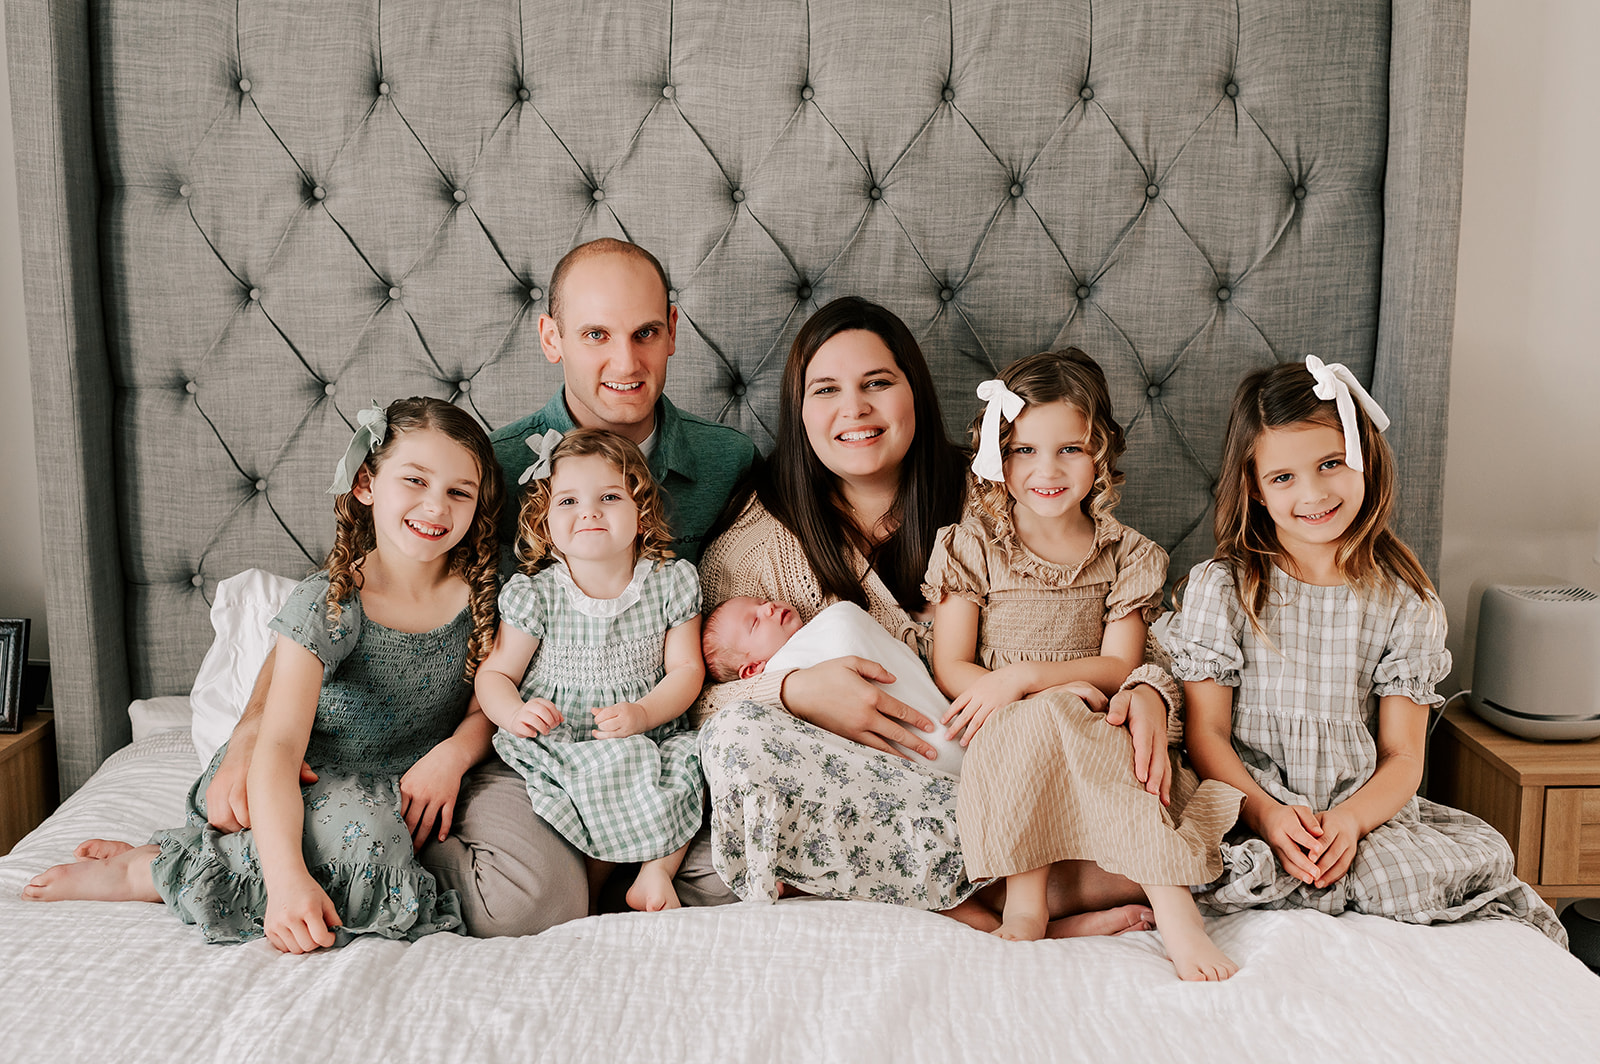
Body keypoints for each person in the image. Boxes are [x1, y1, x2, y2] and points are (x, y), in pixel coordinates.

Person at [203, 239, 757, 936]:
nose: (626, 362)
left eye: (646, 332)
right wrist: (254, 728)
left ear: (674, 330)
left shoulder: (729, 462)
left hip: (653, 734)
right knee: (532, 901)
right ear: (552, 338)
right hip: (523, 738)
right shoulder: (480, 469)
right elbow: (348, 591)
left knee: (753, 859)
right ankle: (411, 861)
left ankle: (633, 863)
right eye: (595, 335)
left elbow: (757, 601)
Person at [695, 297, 1169, 935]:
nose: (854, 409)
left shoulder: (1002, 493)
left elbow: (1121, 615)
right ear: (798, 410)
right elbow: (701, 701)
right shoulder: (753, 545)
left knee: (1153, 819)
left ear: (914, 391)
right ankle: (1020, 888)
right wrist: (795, 689)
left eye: (878, 383)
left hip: (1025, 760)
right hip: (891, 796)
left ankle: (1022, 875)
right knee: (736, 744)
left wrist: (1146, 689)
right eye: (826, 389)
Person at [24, 398, 503, 952]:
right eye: (415, 480)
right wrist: (286, 881)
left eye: (458, 492)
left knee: (380, 831)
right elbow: (275, 747)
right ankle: (152, 871)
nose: (435, 507)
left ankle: (171, 853)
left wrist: (455, 754)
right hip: (296, 779)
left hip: (397, 787)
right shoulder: (330, 604)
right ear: (368, 484)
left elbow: (482, 707)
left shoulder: (485, 598)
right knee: (368, 840)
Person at [1164, 358, 1565, 944]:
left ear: (1365, 459)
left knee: (1403, 880)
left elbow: (1403, 754)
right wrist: (1268, 816)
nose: (1314, 493)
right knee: (1171, 863)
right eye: (1283, 478)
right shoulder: (1224, 588)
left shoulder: (1406, 602)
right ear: (1254, 486)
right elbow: (1207, 737)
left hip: (1363, 813)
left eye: (1331, 464)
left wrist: (1350, 821)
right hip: (1247, 807)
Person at [924, 350, 1242, 979]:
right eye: (1023, 451)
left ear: (1100, 453)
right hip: (1004, 726)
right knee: (1040, 717)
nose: (1046, 470)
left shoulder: (1125, 554)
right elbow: (950, 663)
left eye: (1069, 449)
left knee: (1070, 717)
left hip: (1092, 717)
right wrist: (1012, 691)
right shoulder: (972, 546)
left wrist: (1033, 679)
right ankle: (1026, 908)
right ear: (997, 456)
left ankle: (1173, 908)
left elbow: (1119, 664)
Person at [477, 429, 705, 913]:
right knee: (579, 794)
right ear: (544, 521)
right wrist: (515, 713)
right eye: (568, 500)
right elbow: (495, 675)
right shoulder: (536, 594)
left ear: (640, 511)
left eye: (609, 496)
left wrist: (644, 714)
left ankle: (653, 874)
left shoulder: (671, 582)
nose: (590, 511)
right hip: (561, 740)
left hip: (644, 735)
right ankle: (592, 887)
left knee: (688, 771)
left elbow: (687, 670)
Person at [701, 598, 964, 774]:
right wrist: (793, 689)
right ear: (752, 670)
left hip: (954, 717)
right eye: (755, 623)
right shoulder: (778, 672)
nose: (768, 607)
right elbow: (704, 708)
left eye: (761, 601)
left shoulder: (824, 623)